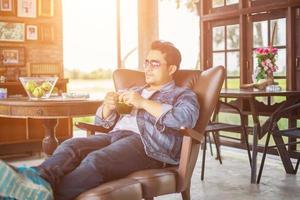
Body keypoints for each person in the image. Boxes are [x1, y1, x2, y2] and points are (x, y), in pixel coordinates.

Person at [0, 40, 199, 200]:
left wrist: (144, 103)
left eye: (154, 63)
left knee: (96, 160)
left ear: (172, 68)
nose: (147, 68)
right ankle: (32, 181)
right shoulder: (135, 90)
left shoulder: (183, 95)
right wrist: (107, 108)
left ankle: (47, 196)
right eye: (146, 62)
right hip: (115, 136)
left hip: (148, 147)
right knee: (71, 145)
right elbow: (103, 122)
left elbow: (186, 119)